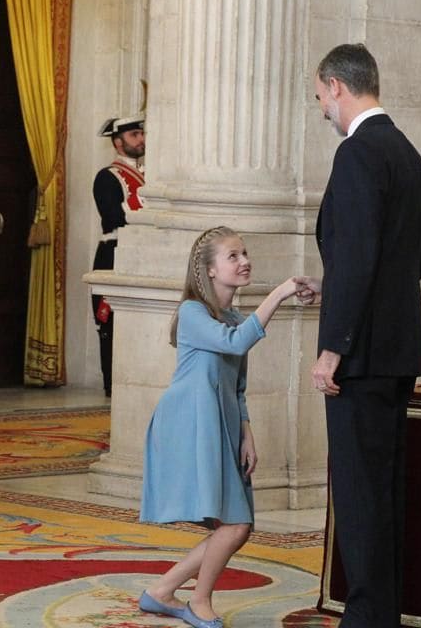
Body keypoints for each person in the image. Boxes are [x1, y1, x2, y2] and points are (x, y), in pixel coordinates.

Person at [297, 43, 421, 628]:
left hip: (360, 355)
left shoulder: (357, 155)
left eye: (320, 96)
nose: (322, 108)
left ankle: (367, 619)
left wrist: (334, 348)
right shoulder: (406, 152)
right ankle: (383, 614)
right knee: (385, 490)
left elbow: (355, 258)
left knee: (359, 494)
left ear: (336, 87)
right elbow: (414, 258)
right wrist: (341, 293)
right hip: (397, 347)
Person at [138, 226, 299, 628]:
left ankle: (162, 591)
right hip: (190, 422)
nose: (244, 261)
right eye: (233, 256)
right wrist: (279, 293)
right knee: (235, 523)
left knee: (236, 524)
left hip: (222, 421)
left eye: (244, 254)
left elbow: (238, 386)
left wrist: (247, 432)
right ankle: (199, 601)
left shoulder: (234, 317)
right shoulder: (192, 313)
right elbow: (236, 343)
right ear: (209, 270)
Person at [91, 115, 146, 397]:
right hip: (115, 251)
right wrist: (145, 201)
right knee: (110, 323)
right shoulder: (107, 177)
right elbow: (113, 217)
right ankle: (112, 384)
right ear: (118, 141)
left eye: (142, 134)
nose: (141, 140)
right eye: (135, 135)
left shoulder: (150, 175)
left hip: (145, 253)